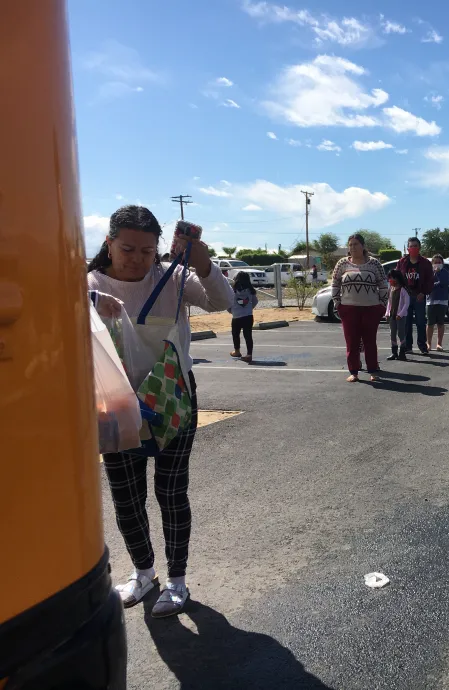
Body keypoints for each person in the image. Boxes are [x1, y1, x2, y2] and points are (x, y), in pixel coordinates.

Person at [87, 205, 234, 618]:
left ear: (157, 251)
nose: (136, 258)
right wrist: (94, 301)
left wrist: (200, 257)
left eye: (147, 251)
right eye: (127, 248)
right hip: (114, 404)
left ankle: (177, 580)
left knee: (171, 493)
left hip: (174, 400)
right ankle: (143, 572)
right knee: (125, 496)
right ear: (108, 243)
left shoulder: (173, 279)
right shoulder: (87, 285)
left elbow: (222, 301)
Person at [331, 233, 389, 382]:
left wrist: (382, 305)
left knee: (370, 341)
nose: (353, 247)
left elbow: (383, 285)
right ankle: (354, 372)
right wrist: (338, 303)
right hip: (349, 309)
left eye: (356, 244)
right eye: (350, 245)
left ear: (363, 246)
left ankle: (373, 370)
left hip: (371, 308)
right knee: (352, 342)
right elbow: (335, 284)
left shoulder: (374, 264)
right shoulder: (342, 263)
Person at [396, 237, 433, 355]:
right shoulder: (402, 262)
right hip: (405, 296)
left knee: (421, 322)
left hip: (419, 297)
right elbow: (396, 277)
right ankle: (408, 346)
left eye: (415, 246)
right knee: (406, 323)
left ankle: (422, 346)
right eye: (411, 246)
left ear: (419, 247)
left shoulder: (425, 263)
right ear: (407, 248)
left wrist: (423, 292)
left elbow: (430, 280)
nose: (413, 248)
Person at [230, 272, 257, 363]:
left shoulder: (232, 291)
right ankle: (249, 354)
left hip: (236, 316)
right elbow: (255, 301)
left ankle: (237, 351)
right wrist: (249, 309)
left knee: (235, 334)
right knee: (248, 335)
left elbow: (228, 302)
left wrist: (231, 311)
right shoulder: (250, 290)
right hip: (248, 316)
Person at [384, 269, 410, 361]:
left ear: (398, 278)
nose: (391, 280)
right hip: (392, 315)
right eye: (390, 278)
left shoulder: (403, 290)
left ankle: (402, 353)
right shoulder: (391, 289)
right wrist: (387, 313)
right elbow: (389, 303)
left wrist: (401, 314)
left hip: (400, 316)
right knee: (392, 333)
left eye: (393, 278)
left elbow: (407, 303)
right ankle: (394, 353)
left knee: (401, 333)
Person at [427, 254, 449, 351]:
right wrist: (434, 275)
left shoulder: (445, 273)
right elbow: (428, 284)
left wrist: (438, 274)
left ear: (442, 263)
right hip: (430, 301)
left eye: (439, 262)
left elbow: (444, 283)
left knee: (440, 323)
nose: (437, 264)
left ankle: (439, 343)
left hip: (442, 301)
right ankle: (428, 343)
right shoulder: (429, 273)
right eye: (435, 262)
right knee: (430, 323)